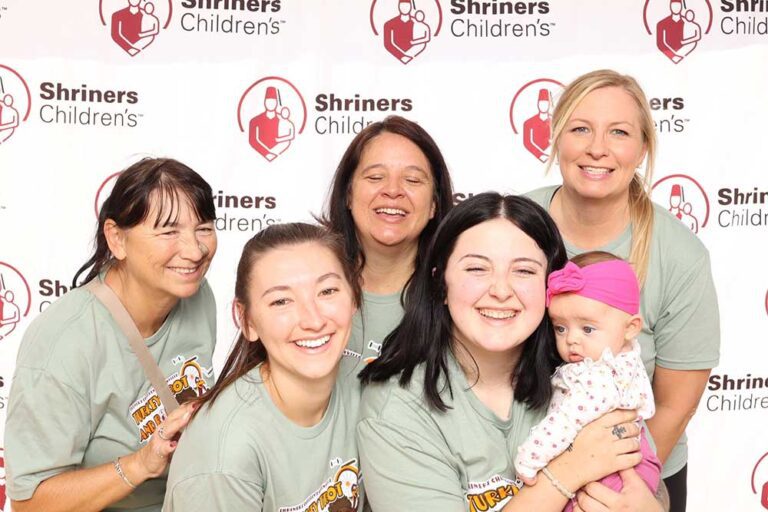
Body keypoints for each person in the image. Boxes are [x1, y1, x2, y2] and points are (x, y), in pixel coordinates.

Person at [358, 193, 664, 512]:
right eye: (477, 269)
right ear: (441, 283)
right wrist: (567, 472)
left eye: (524, 272)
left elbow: (648, 475)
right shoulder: (396, 411)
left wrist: (651, 505)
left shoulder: (583, 367)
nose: (501, 291)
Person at [527, 69, 719, 512]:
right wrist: (558, 479)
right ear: (555, 139)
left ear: (643, 147)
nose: (598, 148)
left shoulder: (680, 255)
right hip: (531, 472)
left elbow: (673, 406)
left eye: (618, 132)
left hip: (634, 472)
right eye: (580, 129)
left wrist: (623, 483)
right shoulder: (515, 224)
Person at [5, 157, 218, 512]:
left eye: (205, 227)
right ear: (117, 239)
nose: (194, 251)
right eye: (169, 231)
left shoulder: (198, 295)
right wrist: (140, 464)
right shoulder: (65, 340)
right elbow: (30, 503)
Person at [163, 223, 364, 511]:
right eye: (281, 301)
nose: (313, 320)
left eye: (327, 291)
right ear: (246, 320)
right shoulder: (225, 452)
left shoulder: (368, 388)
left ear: (355, 296)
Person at [514, 251, 661, 512]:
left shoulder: (598, 377)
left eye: (588, 329)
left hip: (613, 475)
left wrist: (530, 457)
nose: (571, 339)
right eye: (560, 328)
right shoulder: (622, 356)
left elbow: (566, 421)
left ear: (631, 327)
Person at [321, 114, 453, 373]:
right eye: (375, 177)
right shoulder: (308, 284)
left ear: (434, 205)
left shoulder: (455, 298)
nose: (393, 190)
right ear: (348, 194)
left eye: (413, 180)